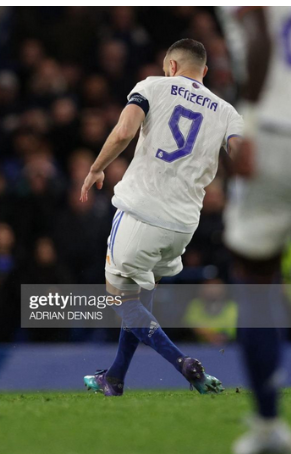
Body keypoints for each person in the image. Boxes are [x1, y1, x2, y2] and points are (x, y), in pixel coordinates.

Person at [79, 38, 241, 396]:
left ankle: (183, 362)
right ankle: (115, 377)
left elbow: (124, 132)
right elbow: (242, 156)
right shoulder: (226, 111)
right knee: (139, 295)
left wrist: (96, 168)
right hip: (183, 226)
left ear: (171, 66)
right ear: (205, 72)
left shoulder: (152, 86)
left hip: (141, 212)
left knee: (120, 298)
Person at [220, 6, 291, 453]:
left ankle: (268, 425)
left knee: (255, 279)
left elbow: (258, 35)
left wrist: (244, 119)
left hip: (275, 133)